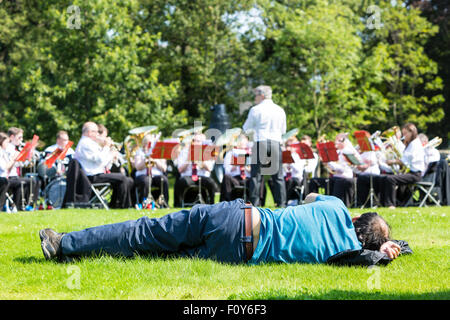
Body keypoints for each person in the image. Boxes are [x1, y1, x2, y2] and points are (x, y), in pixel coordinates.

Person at [39, 193, 410, 266]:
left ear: (357, 218)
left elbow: (310, 195)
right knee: (157, 252)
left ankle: (65, 245)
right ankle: (69, 249)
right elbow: (366, 258)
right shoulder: (342, 256)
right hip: (237, 254)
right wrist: (386, 250)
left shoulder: (336, 207)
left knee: (146, 232)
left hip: (238, 219)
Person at [243, 85, 287, 207]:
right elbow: (283, 130)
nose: (254, 98)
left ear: (262, 95)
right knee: (278, 176)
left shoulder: (255, 110)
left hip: (260, 142)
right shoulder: (280, 110)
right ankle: (282, 204)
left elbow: (246, 129)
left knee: (256, 176)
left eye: (256, 95)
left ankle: (255, 204)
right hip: (275, 142)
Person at [73, 122, 134, 209]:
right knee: (122, 178)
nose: (98, 134)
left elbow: (103, 163)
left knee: (125, 179)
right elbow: (100, 159)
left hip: (96, 174)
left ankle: (116, 204)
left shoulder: (89, 143)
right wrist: (107, 146)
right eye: (96, 131)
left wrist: (112, 156)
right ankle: (121, 205)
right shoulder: (86, 143)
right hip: (91, 176)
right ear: (89, 132)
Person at [379, 123, 425, 208]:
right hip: (411, 173)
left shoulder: (414, 144)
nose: (404, 136)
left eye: (405, 134)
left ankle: (391, 204)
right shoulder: (411, 144)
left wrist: (391, 161)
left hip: (415, 174)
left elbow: (404, 161)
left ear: (412, 132)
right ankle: (385, 203)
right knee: (386, 178)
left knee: (391, 179)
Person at [173, 133, 218, 207]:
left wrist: (202, 160)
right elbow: (180, 170)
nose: (196, 142)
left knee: (211, 183)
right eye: (194, 140)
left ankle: (211, 204)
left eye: (198, 141)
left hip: (202, 176)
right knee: (181, 182)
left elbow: (210, 169)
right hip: (189, 176)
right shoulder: (184, 151)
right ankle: (178, 204)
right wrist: (189, 159)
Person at [133, 134, 169, 205]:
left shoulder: (159, 152)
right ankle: (144, 203)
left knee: (164, 180)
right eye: (148, 144)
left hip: (156, 175)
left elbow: (164, 168)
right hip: (143, 175)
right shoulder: (139, 152)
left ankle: (164, 203)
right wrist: (146, 158)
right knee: (146, 181)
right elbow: (137, 167)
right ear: (144, 144)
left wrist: (155, 160)